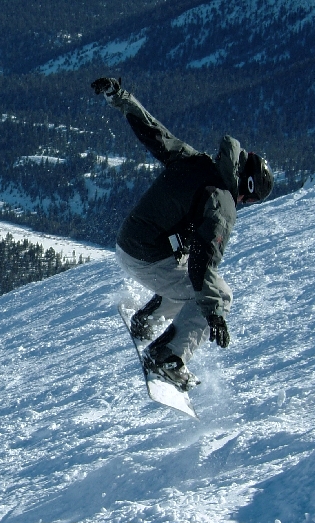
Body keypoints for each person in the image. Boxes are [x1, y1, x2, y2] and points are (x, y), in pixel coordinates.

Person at [91, 77, 274, 391]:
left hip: (128, 241)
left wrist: (121, 97)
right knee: (218, 294)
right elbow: (203, 264)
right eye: (250, 199)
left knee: (188, 274)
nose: (244, 203)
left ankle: (147, 321)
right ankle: (167, 357)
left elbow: (154, 132)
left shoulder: (196, 160)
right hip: (147, 256)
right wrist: (214, 313)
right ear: (247, 187)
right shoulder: (223, 203)